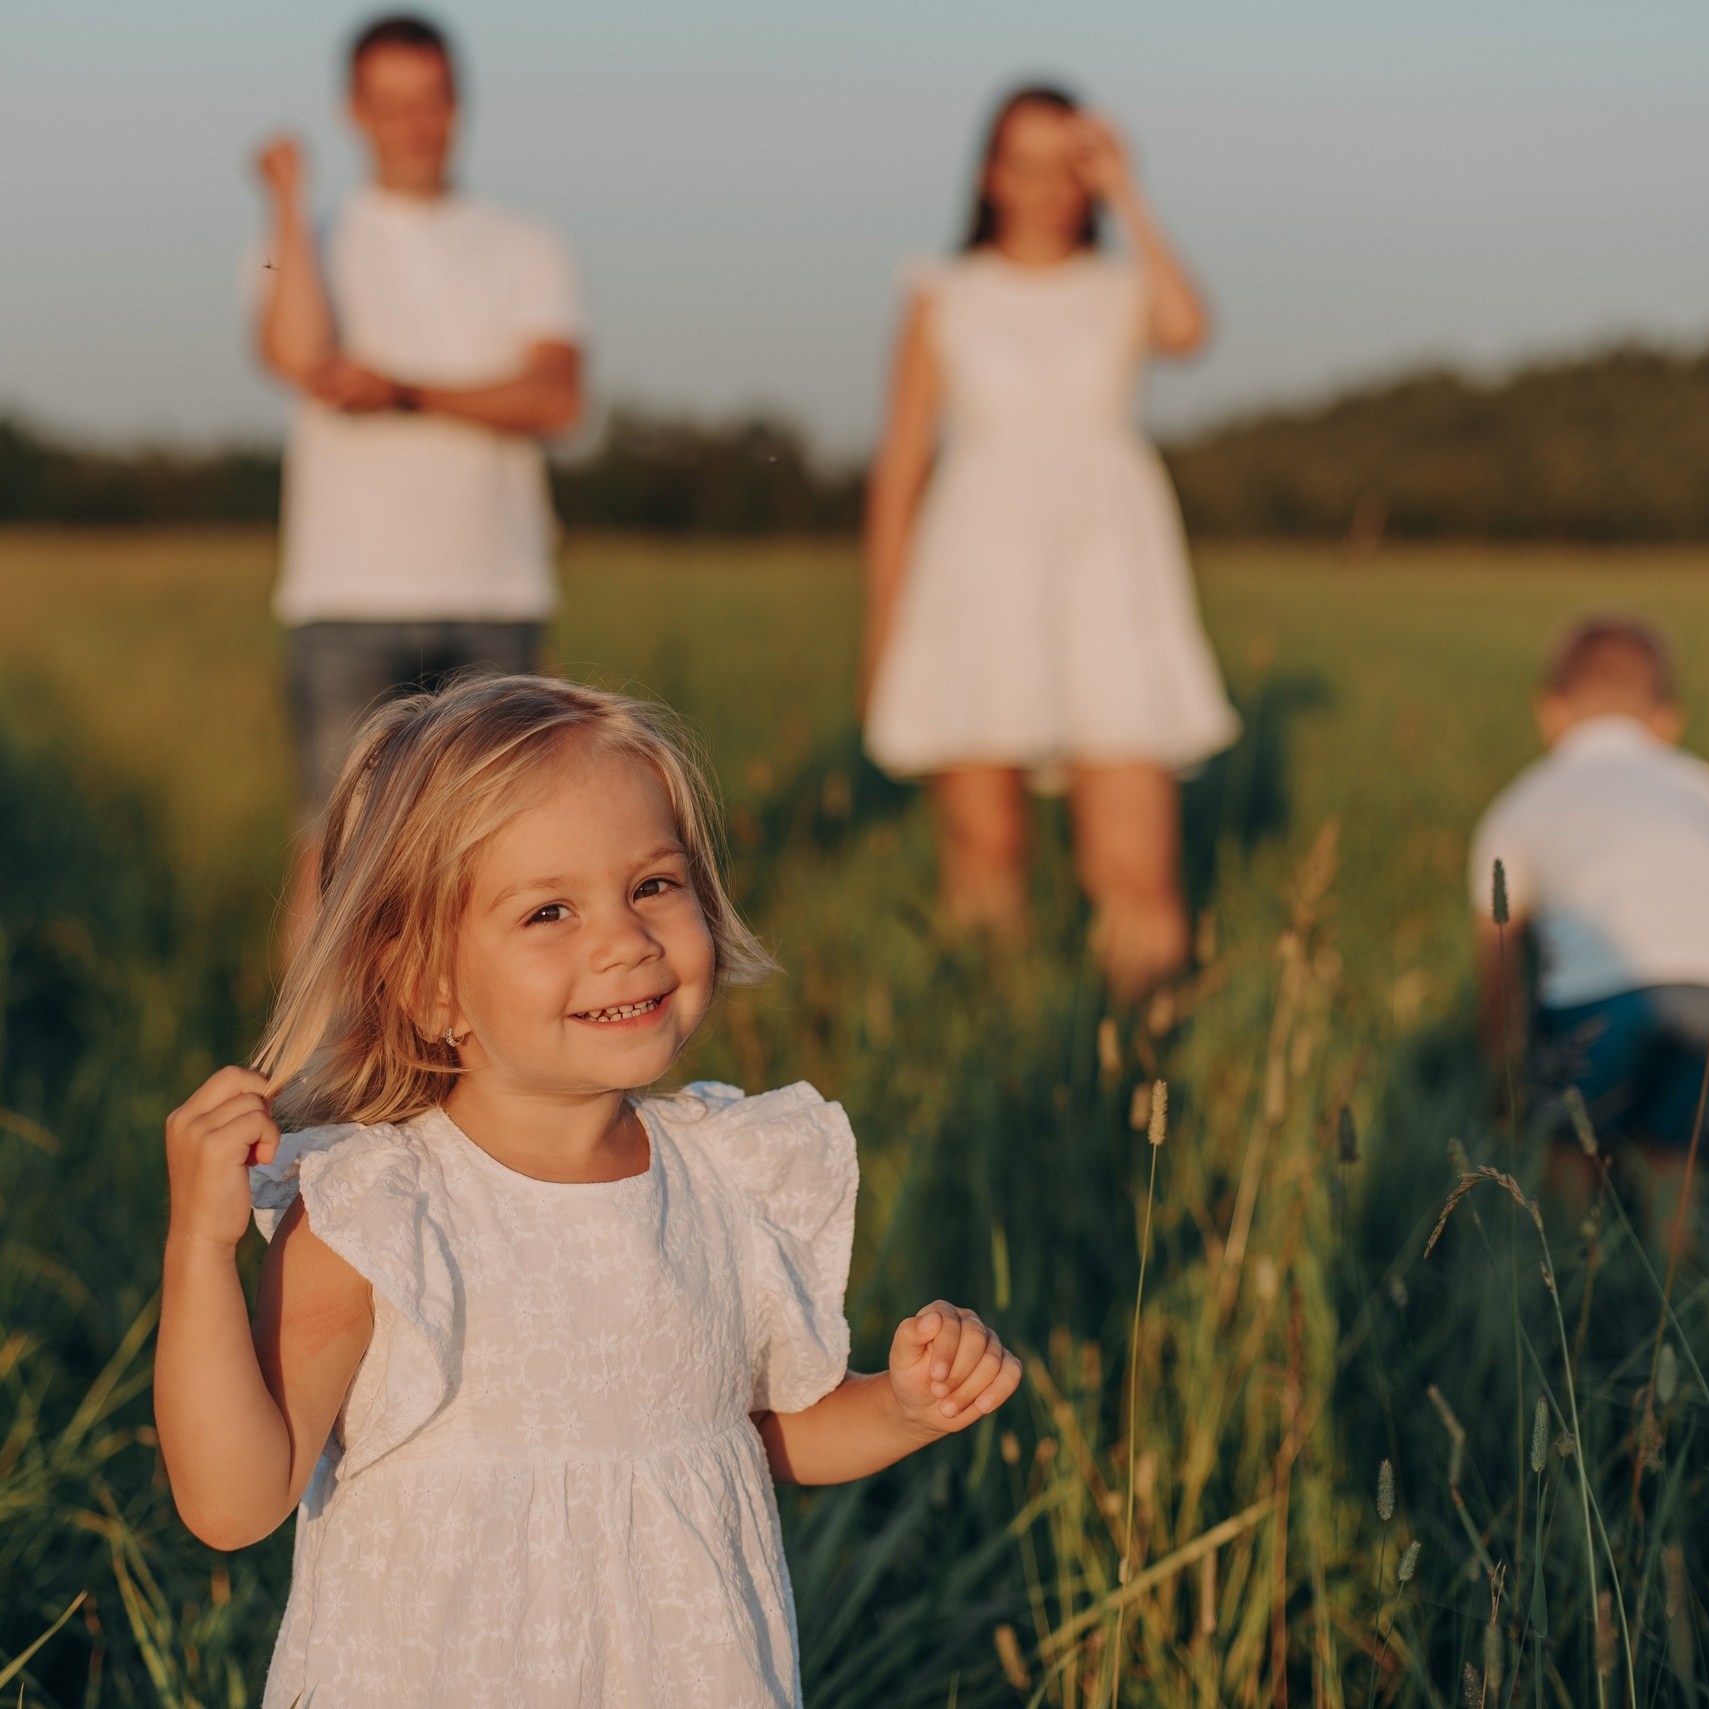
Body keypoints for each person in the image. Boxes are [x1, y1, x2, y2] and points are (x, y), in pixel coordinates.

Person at [154, 675, 1023, 1708]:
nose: (624, 938)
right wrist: (199, 1252)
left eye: (654, 884)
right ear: (429, 984)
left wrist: (903, 1404)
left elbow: (739, 1439)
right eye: (550, 910)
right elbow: (234, 1500)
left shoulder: (722, 1176)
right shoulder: (379, 1215)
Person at [861, 84, 1238, 1001]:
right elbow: (902, 463)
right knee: (984, 848)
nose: (1043, 186)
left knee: (1134, 861)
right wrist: (885, 624)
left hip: (1109, 567)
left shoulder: (1121, 286)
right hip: (976, 569)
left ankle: (1138, 1066)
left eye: (1067, 164)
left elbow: (1189, 331)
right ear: (990, 174)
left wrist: (1131, 196)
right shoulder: (944, 290)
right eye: (1021, 163)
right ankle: (1001, 1052)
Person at [248, 13, 586, 954]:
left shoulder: (523, 242)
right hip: (345, 591)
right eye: (390, 103)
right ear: (355, 111)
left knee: (505, 848)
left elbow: (556, 396)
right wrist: (285, 199)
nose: (413, 122)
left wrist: (402, 387)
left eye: (429, 100)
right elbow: (297, 351)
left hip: (497, 589)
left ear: (457, 104)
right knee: (336, 844)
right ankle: (318, 1084)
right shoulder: (310, 237)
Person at [1470, 613, 1709, 1221]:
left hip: (1605, 989)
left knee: (1572, 1137)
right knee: (1675, 1144)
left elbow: (1498, 952)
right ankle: (1675, 1278)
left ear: (1550, 711)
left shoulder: (1526, 798)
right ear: (1668, 720)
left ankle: (1565, 1260)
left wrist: (1503, 1068)